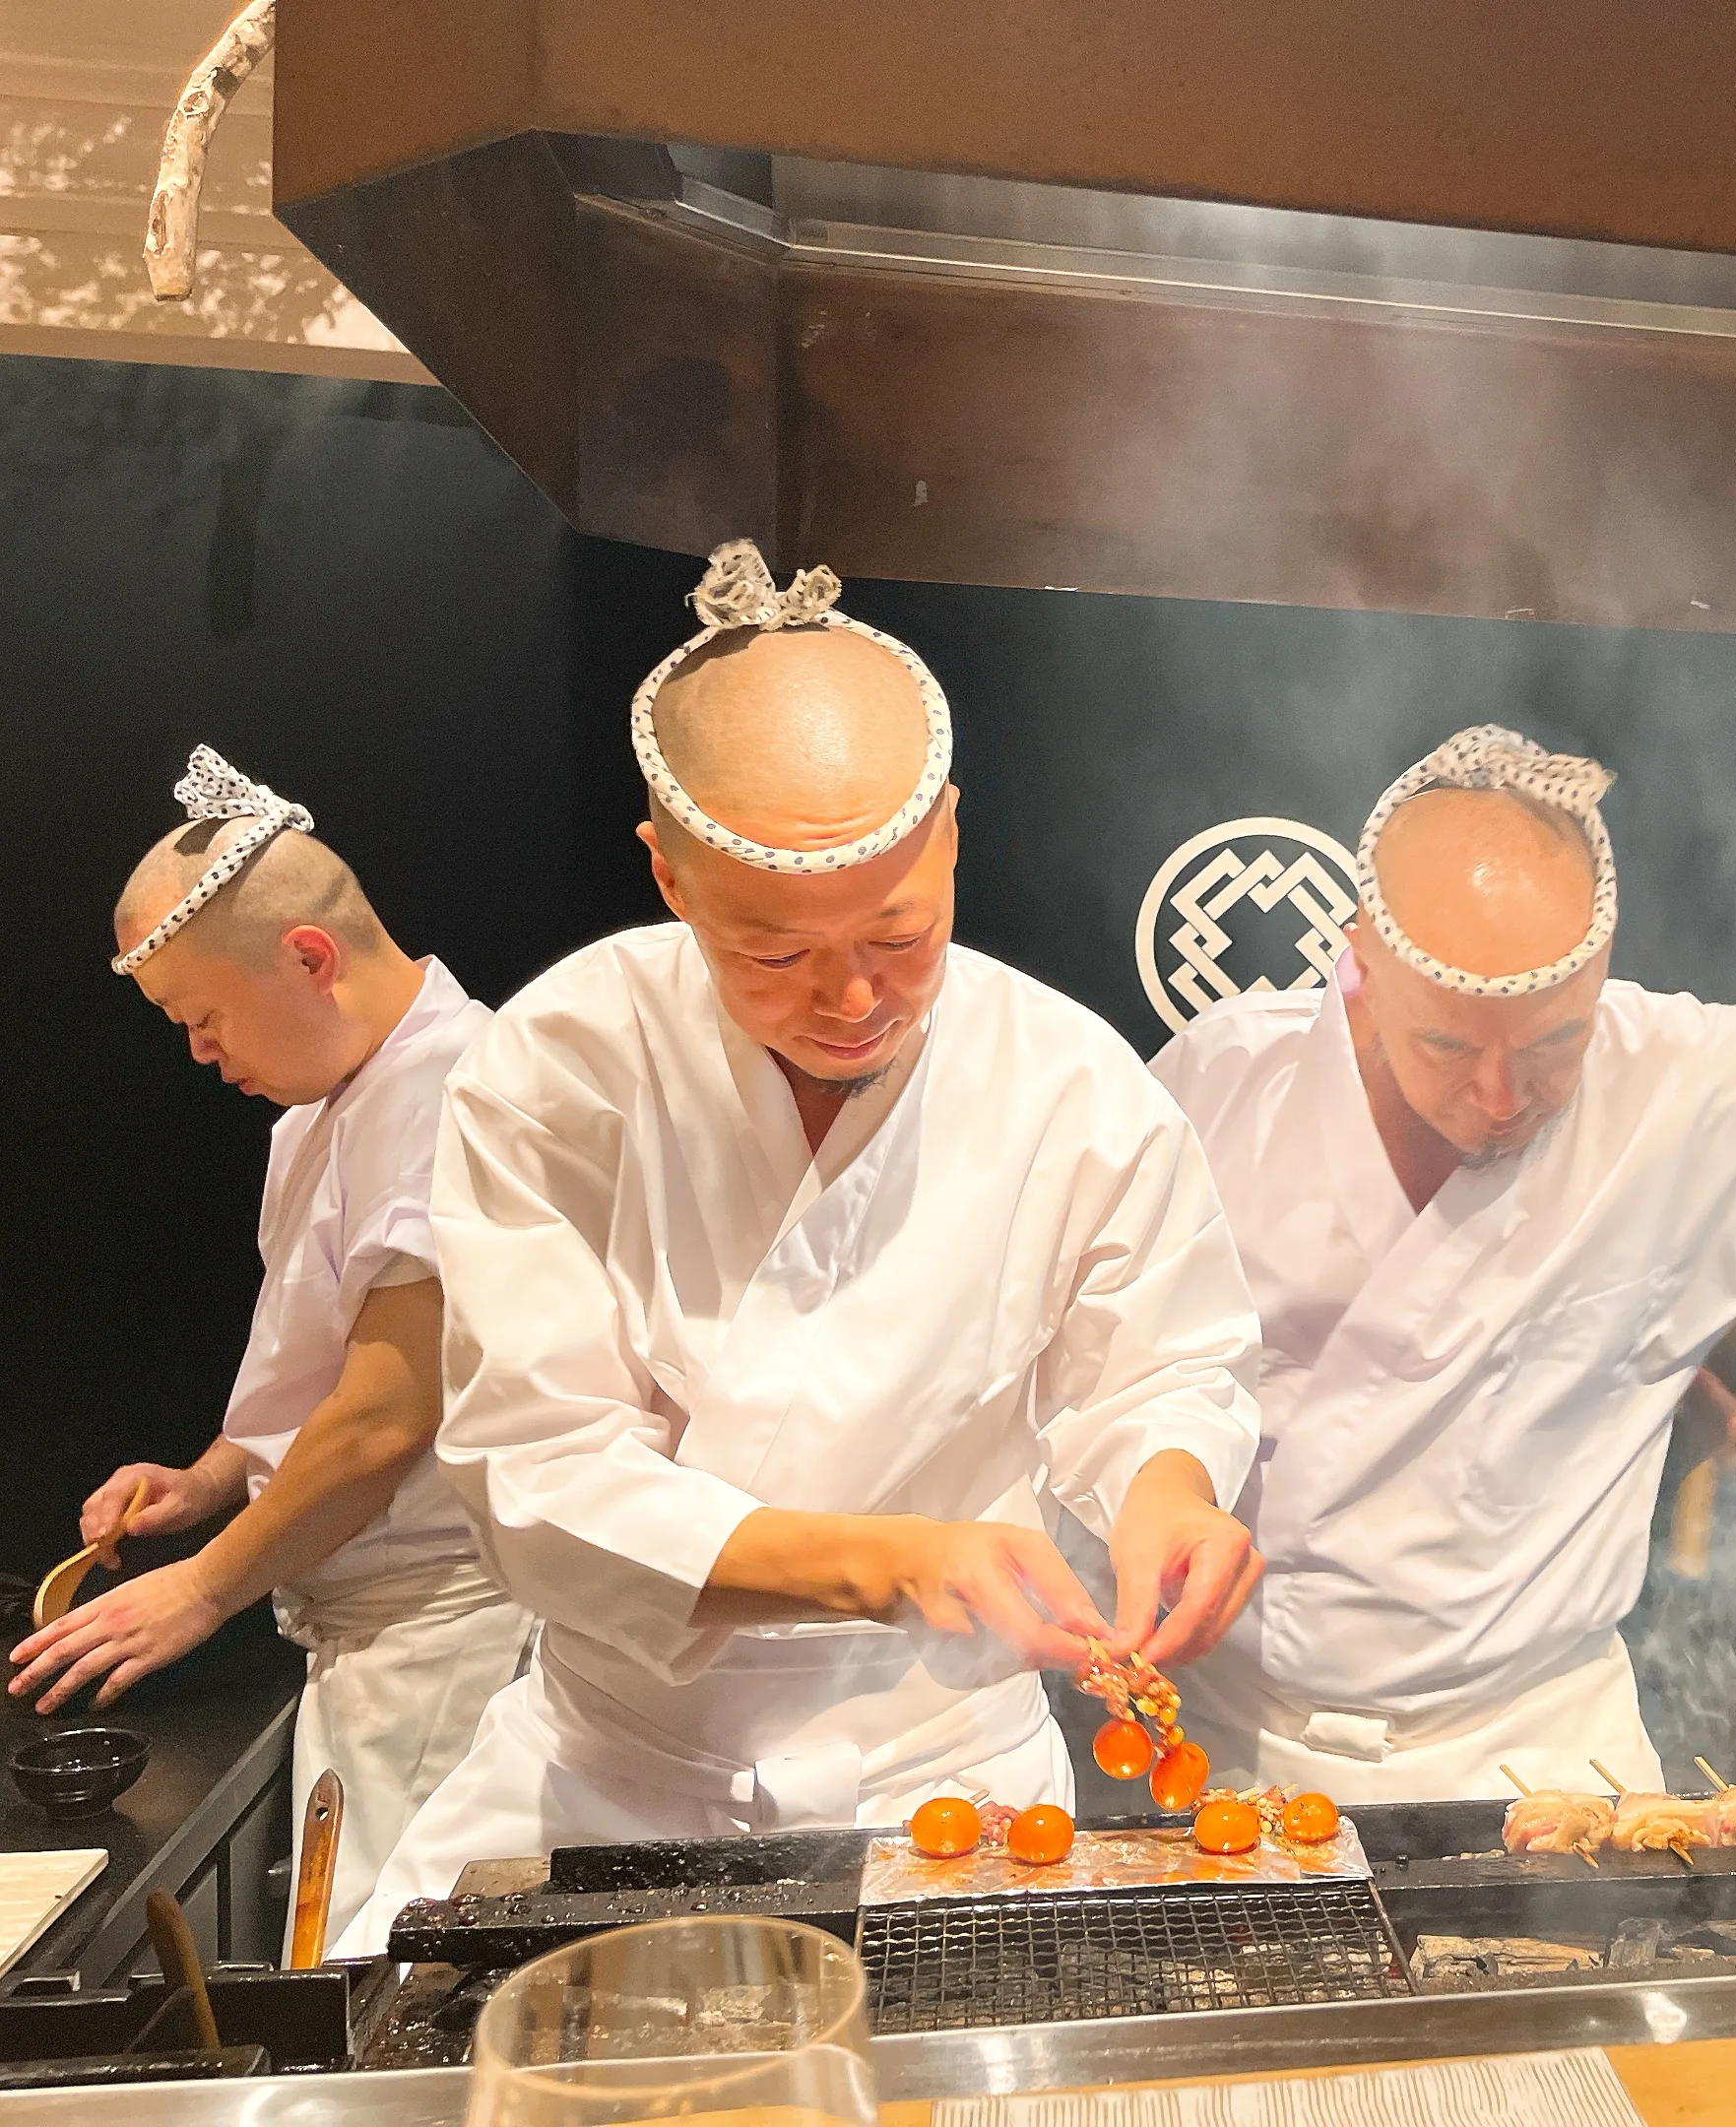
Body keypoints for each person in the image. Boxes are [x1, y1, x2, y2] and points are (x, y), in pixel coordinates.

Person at [342, 546, 1263, 1955]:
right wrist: (878, 1561)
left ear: (951, 834)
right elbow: (534, 1474)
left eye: (900, 933)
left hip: (949, 1783)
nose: (849, 999)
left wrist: (1171, 1493)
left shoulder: (1073, 1084)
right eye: (770, 954)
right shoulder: (562, 1066)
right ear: (667, 872)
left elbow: (1158, 1367)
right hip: (613, 1775)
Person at [1151, 725, 1736, 1800]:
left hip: (1540, 1754)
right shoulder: (1220, 1088)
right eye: (1447, 1046)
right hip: (1228, 1743)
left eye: (1554, 1043)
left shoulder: (1693, 1088)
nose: (1502, 1099)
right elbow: (1110, 1366)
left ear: (1602, 974)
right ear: (1358, 961)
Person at [11, 748, 530, 1950]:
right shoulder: (316, 1115)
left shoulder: (465, 1082)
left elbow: (389, 1412)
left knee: (399, 1974)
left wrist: (199, 1590)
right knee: (346, 1963)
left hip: (458, 1627)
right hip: (363, 1635)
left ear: (307, 957)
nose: (198, 1052)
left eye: (203, 1015)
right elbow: (309, 1380)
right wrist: (209, 1477)